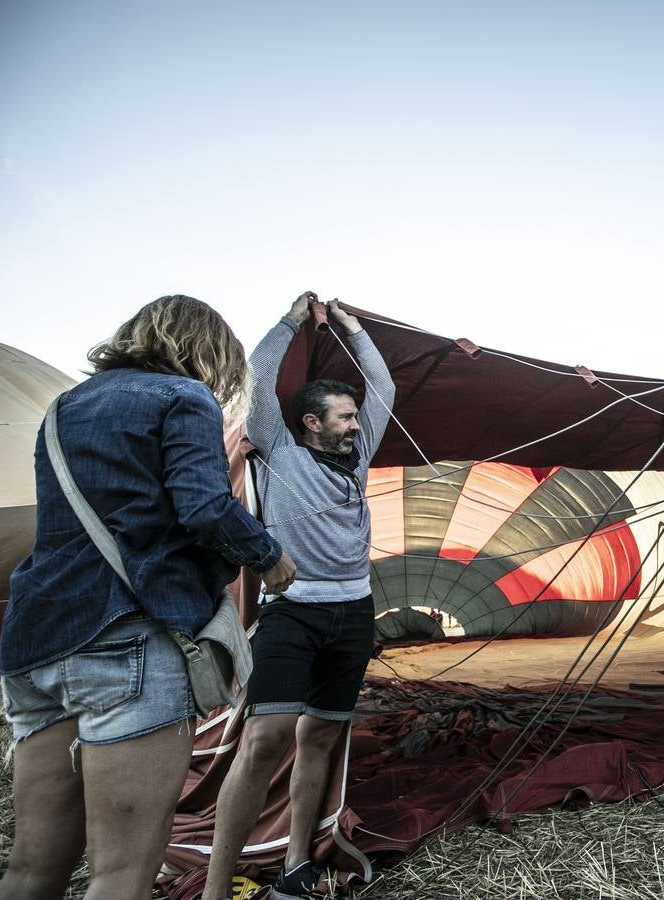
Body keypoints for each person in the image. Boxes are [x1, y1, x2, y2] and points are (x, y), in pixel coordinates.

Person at [0, 296, 296, 900]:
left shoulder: (64, 408)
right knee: (122, 876)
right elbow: (204, 506)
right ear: (209, 353)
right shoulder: (184, 398)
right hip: (128, 641)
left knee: (32, 869)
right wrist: (270, 557)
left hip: (35, 642)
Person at [203, 293, 396, 900]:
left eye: (354, 415)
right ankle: (214, 887)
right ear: (311, 421)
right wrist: (291, 323)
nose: (355, 423)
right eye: (343, 416)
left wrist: (353, 327)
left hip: (355, 611)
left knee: (320, 737)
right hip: (293, 612)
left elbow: (383, 387)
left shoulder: (358, 460)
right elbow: (259, 379)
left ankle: (294, 866)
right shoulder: (280, 452)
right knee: (266, 739)